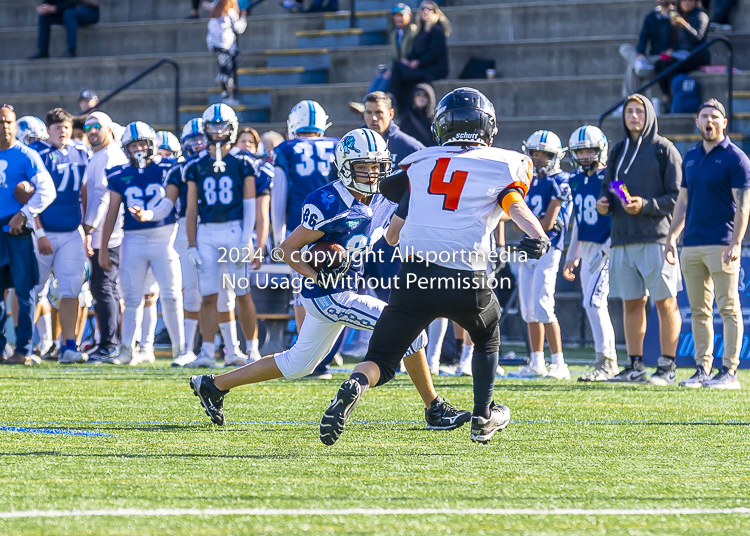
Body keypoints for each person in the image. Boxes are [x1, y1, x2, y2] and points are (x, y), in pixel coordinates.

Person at [189, 128, 470, 433]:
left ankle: (214, 385)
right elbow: (287, 250)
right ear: (346, 166)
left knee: (299, 363)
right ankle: (435, 409)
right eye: (363, 166)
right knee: (409, 331)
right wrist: (317, 273)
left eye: (377, 166)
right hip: (328, 293)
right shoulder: (327, 201)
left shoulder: (383, 198)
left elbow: (393, 232)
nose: (372, 173)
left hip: (344, 290)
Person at [319, 88, 552, 446]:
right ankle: (482, 417)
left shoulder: (421, 164)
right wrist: (539, 236)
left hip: (414, 277)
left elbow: (393, 236)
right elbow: (515, 205)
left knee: (381, 357)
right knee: (487, 334)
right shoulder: (502, 163)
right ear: (487, 127)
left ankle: (356, 383)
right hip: (465, 277)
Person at [597, 94, 682, 385]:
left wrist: (645, 205)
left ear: (650, 115)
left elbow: (677, 198)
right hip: (622, 239)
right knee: (631, 303)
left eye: (639, 111)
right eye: (629, 111)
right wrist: (604, 202)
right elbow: (608, 188)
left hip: (656, 238)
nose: (634, 116)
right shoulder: (618, 150)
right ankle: (635, 366)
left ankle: (667, 367)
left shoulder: (665, 150)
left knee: (665, 303)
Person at [666, 99, 750, 389]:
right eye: (704, 116)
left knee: (728, 308)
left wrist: (737, 242)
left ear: (724, 122)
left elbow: (744, 205)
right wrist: (672, 237)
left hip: (722, 244)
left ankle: (729, 372)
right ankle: (702, 369)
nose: (709, 121)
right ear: (696, 121)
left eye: (715, 116)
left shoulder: (736, 158)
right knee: (699, 311)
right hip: (691, 245)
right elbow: (683, 202)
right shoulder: (690, 156)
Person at [99, 122, 185, 365]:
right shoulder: (119, 173)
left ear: (152, 145)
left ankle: (180, 350)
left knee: (170, 295)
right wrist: (103, 248)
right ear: (126, 148)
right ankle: (127, 349)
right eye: (134, 144)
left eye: (142, 144)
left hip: (164, 236)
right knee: (132, 297)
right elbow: (112, 212)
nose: (138, 149)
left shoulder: (168, 168)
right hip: (133, 239)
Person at [183, 104, 258, 369]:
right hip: (207, 232)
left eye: (222, 125)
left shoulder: (243, 161)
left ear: (232, 127)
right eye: (212, 126)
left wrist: (247, 238)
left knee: (242, 292)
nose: (217, 131)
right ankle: (206, 351)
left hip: (235, 228)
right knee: (208, 295)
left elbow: (251, 203)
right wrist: (191, 244)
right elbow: (191, 209)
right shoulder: (195, 165)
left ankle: (252, 350)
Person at [30, 108, 90, 364]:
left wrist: (87, 230)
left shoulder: (81, 152)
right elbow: (32, 195)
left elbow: (85, 192)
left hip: (71, 232)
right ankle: (19, 344)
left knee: (71, 290)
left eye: (65, 127)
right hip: (43, 231)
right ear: (48, 130)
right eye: (57, 127)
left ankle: (68, 346)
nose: (62, 131)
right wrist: (40, 231)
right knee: (31, 290)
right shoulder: (38, 154)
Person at [512, 130, 572, 380]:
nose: (538, 159)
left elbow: (547, 224)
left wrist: (533, 221)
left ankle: (559, 363)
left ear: (556, 157)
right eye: (535, 153)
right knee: (528, 308)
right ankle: (536, 361)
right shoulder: (525, 180)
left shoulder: (560, 180)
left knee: (544, 305)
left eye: (545, 155)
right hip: (528, 248)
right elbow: (517, 224)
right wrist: (534, 222)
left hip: (548, 249)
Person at [0, 104, 56, 365]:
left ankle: (24, 349)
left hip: (18, 229)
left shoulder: (27, 155)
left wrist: (24, 213)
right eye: (1, 122)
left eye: (9, 121)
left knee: (24, 290)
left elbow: (48, 190)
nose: (5, 126)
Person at [563, 126, 619, 381]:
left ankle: (606, 361)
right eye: (581, 151)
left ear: (601, 150)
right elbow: (578, 220)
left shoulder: (611, 177)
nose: (585, 155)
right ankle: (606, 361)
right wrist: (571, 255)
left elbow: (621, 216)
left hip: (604, 246)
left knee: (594, 302)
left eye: (590, 150)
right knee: (593, 303)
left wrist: (607, 248)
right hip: (586, 247)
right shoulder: (574, 178)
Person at [81, 112, 129, 362]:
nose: (91, 130)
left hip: (108, 235)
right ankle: (106, 341)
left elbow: (104, 199)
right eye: (87, 126)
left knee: (104, 288)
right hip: (100, 233)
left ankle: (109, 344)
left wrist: (88, 230)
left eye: (96, 126)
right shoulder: (98, 155)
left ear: (109, 129)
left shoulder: (111, 156)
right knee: (101, 288)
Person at [167, 119, 206, 366]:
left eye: (201, 138)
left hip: (216, 226)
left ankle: (227, 348)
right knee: (191, 290)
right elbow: (168, 204)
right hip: (186, 228)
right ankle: (188, 347)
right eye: (193, 140)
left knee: (223, 292)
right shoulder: (179, 169)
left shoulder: (224, 164)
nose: (198, 144)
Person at [388, 1, 450, 112]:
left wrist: (418, 62)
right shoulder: (420, 31)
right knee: (401, 71)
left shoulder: (437, 30)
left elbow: (435, 54)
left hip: (434, 69)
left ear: (435, 12)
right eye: (423, 8)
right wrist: (408, 61)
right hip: (422, 67)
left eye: (429, 9)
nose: (425, 11)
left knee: (398, 69)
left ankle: (391, 101)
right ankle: (401, 111)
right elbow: (415, 52)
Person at [653, 0, 711, 111]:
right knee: (659, 64)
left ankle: (673, 98)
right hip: (683, 54)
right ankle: (667, 97)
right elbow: (680, 43)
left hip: (697, 56)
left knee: (668, 66)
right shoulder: (681, 15)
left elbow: (698, 38)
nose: (687, 2)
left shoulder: (700, 15)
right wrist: (672, 50)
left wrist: (684, 25)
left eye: (690, 0)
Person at [619, 0, 677, 97]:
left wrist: (673, 49)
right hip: (653, 57)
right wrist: (640, 54)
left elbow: (683, 39)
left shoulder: (677, 16)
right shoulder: (651, 17)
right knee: (624, 48)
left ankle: (629, 100)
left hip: (667, 58)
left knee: (632, 67)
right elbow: (643, 38)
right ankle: (640, 63)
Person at [207, 0, 247, 107]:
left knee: (232, 61)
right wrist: (243, 17)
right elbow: (239, 28)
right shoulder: (230, 12)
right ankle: (227, 96)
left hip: (214, 45)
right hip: (225, 45)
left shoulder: (215, 10)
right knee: (227, 72)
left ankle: (225, 79)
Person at [30, 0, 100, 59]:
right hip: (68, 11)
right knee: (44, 17)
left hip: (89, 10)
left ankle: (71, 50)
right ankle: (43, 51)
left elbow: (74, 1)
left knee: (69, 13)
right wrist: (44, 7)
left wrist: (54, 8)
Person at [399, 83, 437, 148]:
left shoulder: (435, 119)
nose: (421, 98)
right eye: (418, 95)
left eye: (425, 95)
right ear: (413, 98)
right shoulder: (407, 118)